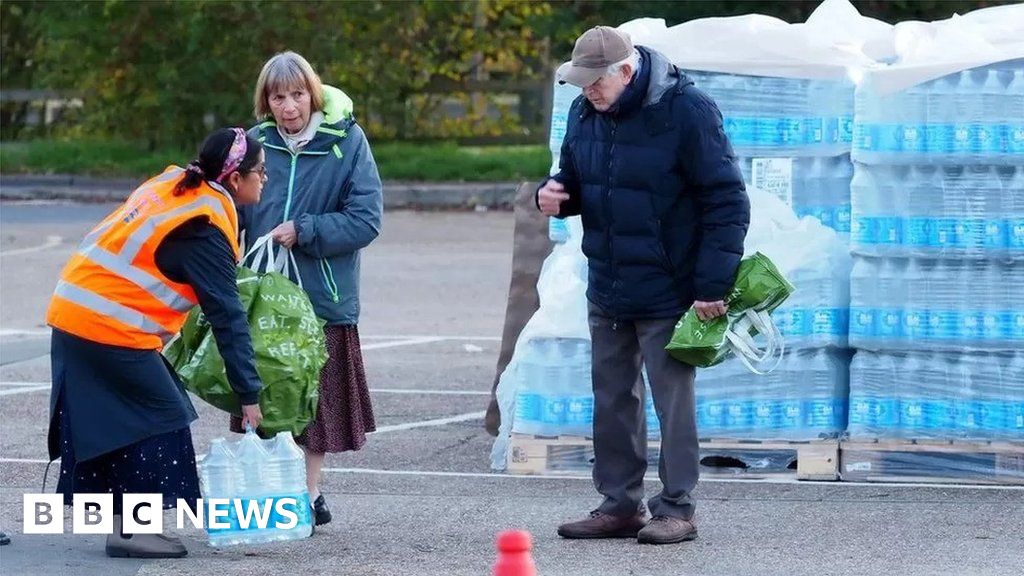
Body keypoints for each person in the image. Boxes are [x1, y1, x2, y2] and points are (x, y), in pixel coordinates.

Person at [537, 26, 750, 545]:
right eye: (581, 83)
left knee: (672, 401)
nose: (587, 92)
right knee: (611, 398)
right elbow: (575, 179)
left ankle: (677, 507)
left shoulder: (687, 110)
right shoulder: (584, 112)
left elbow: (726, 201)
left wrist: (712, 284)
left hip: (672, 286)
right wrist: (556, 197)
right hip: (608, 280)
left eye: (595, 83)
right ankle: (618, 504)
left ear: (626, 72)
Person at [45, 128, 267, 558]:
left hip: (79, 315)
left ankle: (127, 529)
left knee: (119, 424)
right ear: (235, 179)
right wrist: (249, 395)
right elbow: (228, 316)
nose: (265, 180)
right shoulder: (202, 228)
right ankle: (131, 534)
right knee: (161, 415)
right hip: (102, 325)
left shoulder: (178, 186)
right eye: (261, 172)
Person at [233, 51, 383, 527]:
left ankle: (308, 493)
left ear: (313, 94)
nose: (289, 106)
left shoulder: (348, 141)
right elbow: (230, 208)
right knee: (261, 398)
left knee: (314, 406)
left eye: (297, 94)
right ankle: (266, 490)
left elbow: (366, 219)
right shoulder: (253, 143)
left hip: (322, 296)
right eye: (278, 97)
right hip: (262, 297)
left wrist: (306, 230)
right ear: (266, 101)